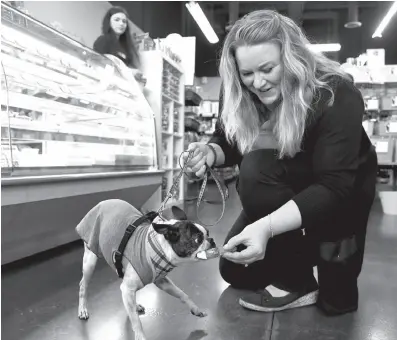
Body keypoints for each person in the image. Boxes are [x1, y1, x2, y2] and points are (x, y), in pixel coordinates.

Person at [184, 10, 378, 316]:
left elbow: (334, 185)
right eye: (247, 74)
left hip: (341, 193)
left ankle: (298, 272)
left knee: (337, 302)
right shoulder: (240, 89)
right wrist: (210, 152)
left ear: (292, 58)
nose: (257, 83)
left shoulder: (335, 92)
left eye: (267, 69)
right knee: (235, 270)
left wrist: (265, 227)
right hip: (283, 181)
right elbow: (229, 141)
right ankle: (297, 266)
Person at [93, 6, 142, 80]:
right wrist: (129, 72)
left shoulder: (126, 47)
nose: (121, 23)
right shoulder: (103, 40)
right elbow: (98, 64)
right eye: (117, 20)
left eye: (124, 21)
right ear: (109, 22)